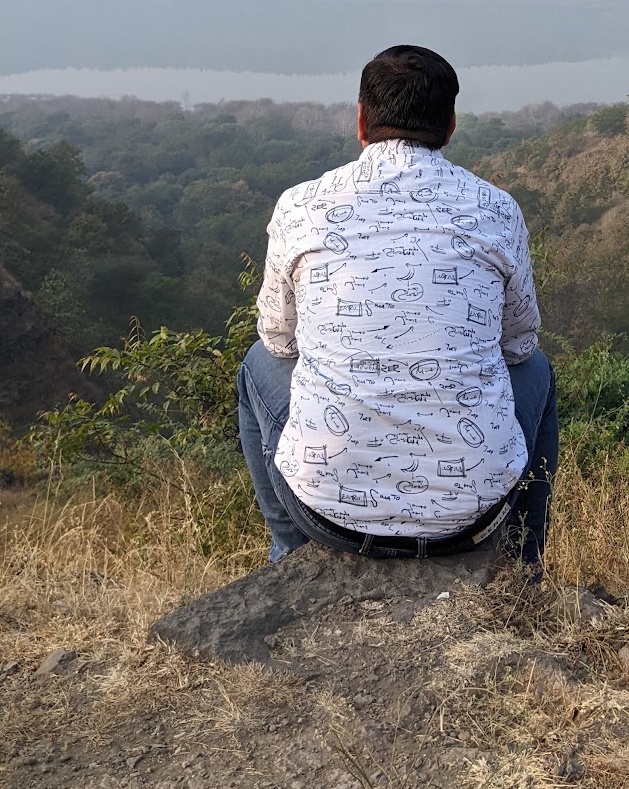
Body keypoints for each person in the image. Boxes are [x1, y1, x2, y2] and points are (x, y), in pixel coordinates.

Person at [237, 43, 557, 565]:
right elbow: (519, 344)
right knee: (538, 368)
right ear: (450, 125)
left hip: (325, 513)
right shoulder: (495, 208)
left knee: (257, 362)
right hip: (475, 514)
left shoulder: (302, 206)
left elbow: (277, 338)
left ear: (361, 121)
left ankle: (289, 555)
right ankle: (521, 568)